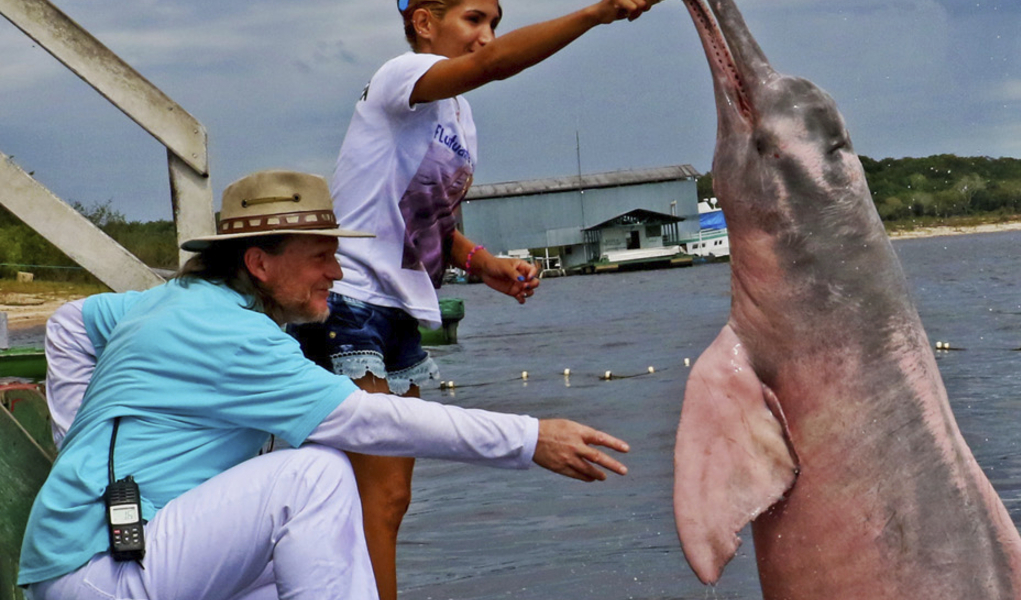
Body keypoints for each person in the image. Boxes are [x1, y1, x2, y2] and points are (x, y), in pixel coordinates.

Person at [18, 170, 630, 600]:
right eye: (320, 257)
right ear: (259, 263)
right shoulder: (237, 336)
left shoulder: (170, 300)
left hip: (107, 554)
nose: (337, 272)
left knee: (323, 552)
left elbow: (71, 323)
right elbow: (371, 419)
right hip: (102, 570)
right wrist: (529, 438)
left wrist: (78, 452)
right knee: (317, 474)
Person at [290, 0, 658, 596]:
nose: (487, 36)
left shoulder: (459, 118)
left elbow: (428, 218)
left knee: (391, 498)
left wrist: (483, 263)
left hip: (399, 312)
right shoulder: (401, 78)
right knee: (377, 492)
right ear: (424, 22)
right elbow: (495, 66)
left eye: (494, 24)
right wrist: (598, 13)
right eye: (473, 19)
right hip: (350, 301)